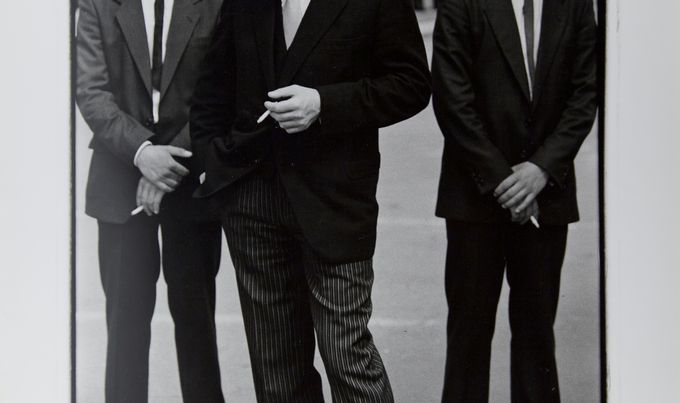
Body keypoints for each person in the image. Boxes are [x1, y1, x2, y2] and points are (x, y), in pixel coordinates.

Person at [190, 0, 431, 401]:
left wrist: (323, 104)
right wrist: (210, 161)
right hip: (252, 198)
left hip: (334, 201)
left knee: (346, 355)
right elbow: (212, 84)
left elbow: (412, 84)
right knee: (277, 369)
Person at [431, 0, 597, 401]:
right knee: (468, 339)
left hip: (546, 195)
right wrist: (504, 180)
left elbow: (586, 92)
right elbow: (452, 98)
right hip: (475, 197)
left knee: (537, 338)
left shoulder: (575, 5)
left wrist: (541, 169)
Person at [76, 0, 225, 401]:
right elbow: (90, 91)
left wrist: (168, 165)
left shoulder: (213, 4)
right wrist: (143, 153)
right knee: (124, 327)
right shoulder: (98, 4)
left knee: (197, 326)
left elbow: (220, 91)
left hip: (189, 182)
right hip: (120, 181)